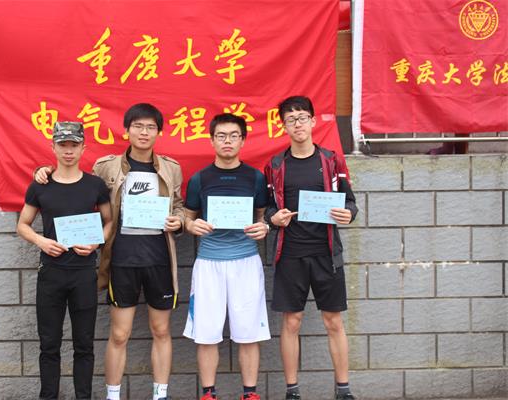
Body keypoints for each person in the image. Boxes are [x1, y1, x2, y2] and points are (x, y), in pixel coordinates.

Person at [35, 103, 184, 400]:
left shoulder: (171, 168)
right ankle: (112, 396)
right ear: (127, 130)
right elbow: (77, 182)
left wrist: (178, 221)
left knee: (161, 330)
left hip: (159, 260)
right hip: (121, 259)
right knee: (119, 334)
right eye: (138, 126)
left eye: (150, 127)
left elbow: (179, 205)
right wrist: (45, 170)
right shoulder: (107, 167)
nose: (144, 132)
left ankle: (161, 395)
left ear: (159, 132)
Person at [264, 96, 359, 400]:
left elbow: (350, 202)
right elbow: (267, 209)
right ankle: (292, 391)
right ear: (284, 126)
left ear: (313, 121)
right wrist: (272, 218)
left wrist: (349, 213)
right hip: (290, 253)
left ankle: (343, 390)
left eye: (302, 117)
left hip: (326, 253)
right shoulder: (275, 165)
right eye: (291, 119)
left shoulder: (331, 160)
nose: (298, 124)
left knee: (333, 321)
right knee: (292, 322)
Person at [17, 121, 112, 400]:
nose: (68, 151)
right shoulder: (40, 186)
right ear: (53, 147)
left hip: (84, 273)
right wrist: (41, 241)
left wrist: (96, 242)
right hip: (51, 272)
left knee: (84, 344)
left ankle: (84, 396)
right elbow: (22, 224)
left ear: (83, 148)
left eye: (74, 145)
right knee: (49, 344)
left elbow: (109, 222)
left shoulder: (95, 185)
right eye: (63, 145)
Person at [183, 113, 271, 400]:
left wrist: (263, 227)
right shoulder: (199, 179)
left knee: (249, 332)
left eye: (234, 136)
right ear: (212, 140)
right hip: (209, 263)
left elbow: (262, 216)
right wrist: (191, 226)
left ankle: (250, 394)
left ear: (243, 140)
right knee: (206, 332)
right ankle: (208, 393)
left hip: (246, 261)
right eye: (221, 136)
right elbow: (187, 217)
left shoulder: (256, 178)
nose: (227, 141)